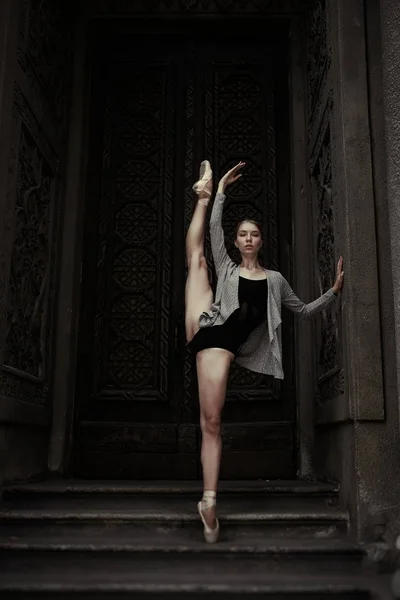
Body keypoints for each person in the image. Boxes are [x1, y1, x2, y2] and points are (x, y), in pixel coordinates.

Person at [185, 160, 344, 543]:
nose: (248, 238)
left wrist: (333, 293)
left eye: (253, 234)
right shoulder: (227, 266)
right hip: (208, 329)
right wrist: (221, 191)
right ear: (237, 241)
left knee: (212, 423)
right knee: (199, 259)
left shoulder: (274, 281)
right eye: (242, 234)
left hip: (223, 345)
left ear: (260, 240)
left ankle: (208, 502)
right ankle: (204, 195)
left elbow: (302, 310)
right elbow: (212, 234)